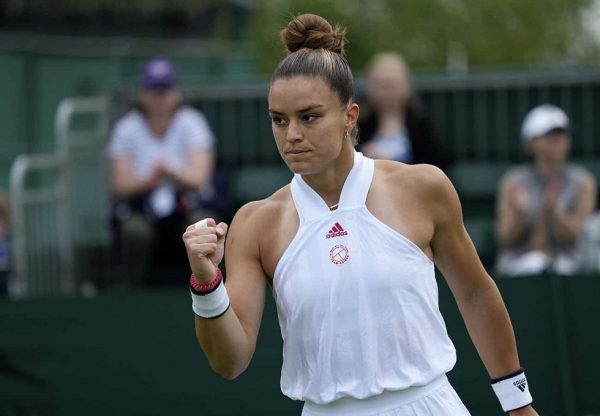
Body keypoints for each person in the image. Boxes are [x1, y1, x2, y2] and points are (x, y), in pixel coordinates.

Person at [183, 14, 538, 416]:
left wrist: (518, 404)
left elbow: (475, 294)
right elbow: (230, 362)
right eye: (278, 120)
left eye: (309, 117)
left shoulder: (423, 187)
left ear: (350, 117)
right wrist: (206, 283)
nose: (291, 134)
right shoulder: (255, 222)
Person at [108, 58, 218, 285]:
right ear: (142, 93)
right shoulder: (126, 128)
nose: (160, 98)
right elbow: (120, 186)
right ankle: (133, 292)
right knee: (134, 232)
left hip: (187, 206)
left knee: (203, 226)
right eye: (153, 90)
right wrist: (150, 180)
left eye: (165, 90)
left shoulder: (192, 122)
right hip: (141, 209)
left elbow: (199, 179)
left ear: (175, 92)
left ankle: (210, 287)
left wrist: (168, 173)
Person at [495, 104, 597, 277]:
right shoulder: (512, 182)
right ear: (530, 143)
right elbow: (505, 239)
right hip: (519, 264)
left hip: (571, 264)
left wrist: (553, 210)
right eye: (549, 136)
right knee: (536, 263)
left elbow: (581, 238)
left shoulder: (583, 182)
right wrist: (520, 214)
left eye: (562, 135)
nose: (558, 141)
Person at [357, 52, 449, 170]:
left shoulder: (420, 122)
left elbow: (435, 162)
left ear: (405, 85)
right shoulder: (360, 123)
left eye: (390, 85)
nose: (385, 93)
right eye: (379, 85)